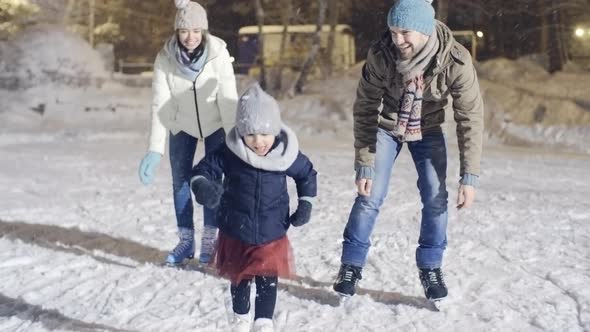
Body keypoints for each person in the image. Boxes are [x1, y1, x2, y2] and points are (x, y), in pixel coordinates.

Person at [332, 0, 484, 301]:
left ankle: (430, 268)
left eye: (405, 32)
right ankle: (350, 265)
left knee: (435, 195)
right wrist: (365, 162)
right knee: (370, 195)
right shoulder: (381, 54)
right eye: (392, 31)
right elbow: (364, 108)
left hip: (427, 130)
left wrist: (470, 176)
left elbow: (471, 118)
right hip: (387, 127)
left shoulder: (455, 60)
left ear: (425, 30)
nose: (397, 40)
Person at [190, 83, 317, 331]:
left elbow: (307, 174)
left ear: (275, 131)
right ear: (240, 132)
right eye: (250, 135)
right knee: (239, 278)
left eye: (264, 134)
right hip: (236, 229)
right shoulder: (230, 152)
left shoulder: (285, 154)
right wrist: (203, 186)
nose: (258, 142)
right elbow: (202, 170)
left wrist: (306, 203)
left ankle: (263, 323)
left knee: (268, 277)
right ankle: (240, 319)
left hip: (271, 230)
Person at [138, 0, 238, 266]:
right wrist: (154, 149)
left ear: (204, 31)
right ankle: (185, 240)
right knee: (180, 181)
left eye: (196, 30)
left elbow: (228, 100)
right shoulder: (165, 58)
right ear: (176, 32)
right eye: (184, 31)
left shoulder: (217, 54)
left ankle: (209, 238)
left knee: (212, 181)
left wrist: (234, 141)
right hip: (181, 124)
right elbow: (160, 104)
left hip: (216, 123)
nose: (190, 37)